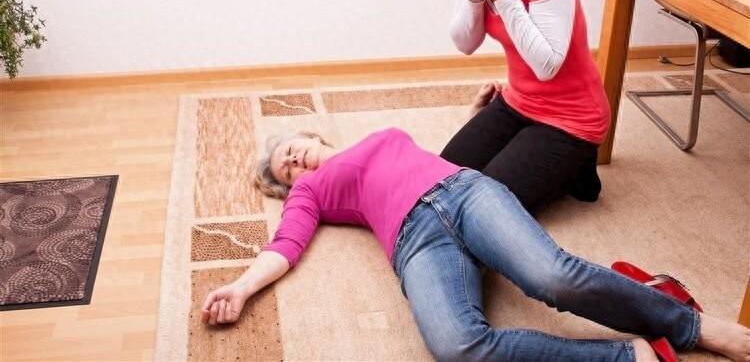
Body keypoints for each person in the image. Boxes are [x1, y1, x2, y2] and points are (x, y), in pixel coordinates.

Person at [200, 128, 749, 362]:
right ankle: (627, 355)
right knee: (457, 347)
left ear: (313, 135)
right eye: (287, 169)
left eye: (292, 149)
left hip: (464, 193)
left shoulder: (377, 137)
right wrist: (242, 287)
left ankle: (693, 326)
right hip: (415, 243)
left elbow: (438, 158)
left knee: (551, 277)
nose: (295, 161)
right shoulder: (312, 192)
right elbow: (285, 245)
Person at [441, 0, 610, 213]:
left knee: (483, 206)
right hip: (517, 102)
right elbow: (465, 43)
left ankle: (576, 166)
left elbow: (547, 66)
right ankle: (558, 165)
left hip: (571, 117)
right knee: (441, 178)